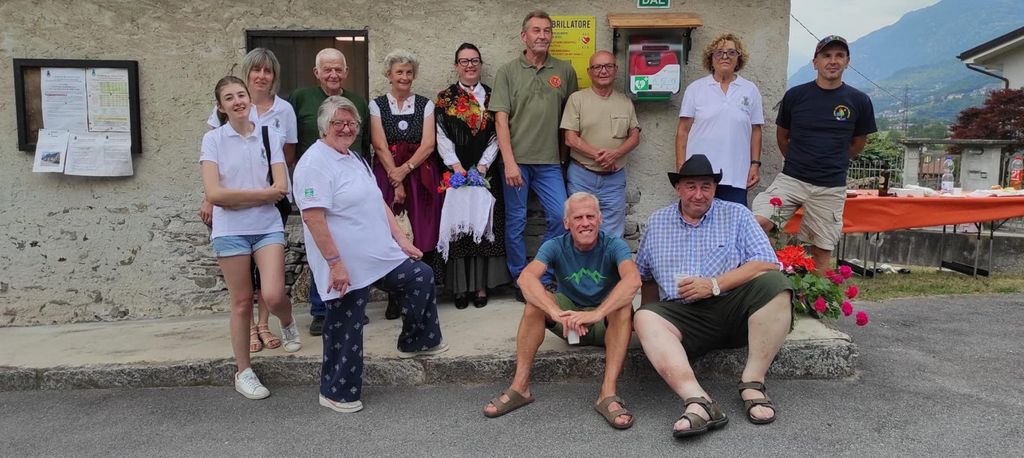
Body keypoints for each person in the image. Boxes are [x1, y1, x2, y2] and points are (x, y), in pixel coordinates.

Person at [294, 96, 448, 414]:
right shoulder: (314, 164)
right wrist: (335, 264)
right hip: (344, 262)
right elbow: (313, 218)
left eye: (351, 123)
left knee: (420, 276)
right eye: (338, 122)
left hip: (379, 253)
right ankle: (336, 391)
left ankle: (416, 340)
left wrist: (401, 240)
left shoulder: (354, 158)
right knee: (347, 323)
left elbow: (378, 201)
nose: (346, 128)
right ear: (324, 126)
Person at [633, 154, 792, 438]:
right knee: (644, 317)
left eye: (706, 186)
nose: (699, 194)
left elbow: (766, 263)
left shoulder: (737, 214)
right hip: (683, 319)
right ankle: (699, 402)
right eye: (691, 186)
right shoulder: (656, 223)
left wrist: (714, 284)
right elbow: (645, 277)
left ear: (715, 188)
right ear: (678, 188)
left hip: (731, 309)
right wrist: (650, 323)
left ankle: (753, 384)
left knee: (776, 284)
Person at [482, 192, 640, 430]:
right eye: (578, 218)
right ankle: (520, 388)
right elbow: (526, 279)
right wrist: (555, 312)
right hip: (568, 321)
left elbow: (633, 280)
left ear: (600, 219)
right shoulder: (554, 245)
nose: (585, 223)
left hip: (604, 324)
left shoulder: (614, 245)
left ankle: (607, 394)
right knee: (535, 302)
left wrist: (596, 314)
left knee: (623, 306)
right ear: (566, 222)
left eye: (590, 216)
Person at [199, 76, 302, 400]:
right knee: (242, 302)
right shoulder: (213, 140)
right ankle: (243, 371)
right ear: (221, 106)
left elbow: (281, 188)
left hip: (267, 226)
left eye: (241, 95)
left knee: (273, 294)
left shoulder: (269, 135)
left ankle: (287, 321)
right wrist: (260, 195)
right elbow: (214, 193)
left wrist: (236, 197)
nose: (238, 101)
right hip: (230, 230)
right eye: (229, 97)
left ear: (249, 99)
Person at [751, 35, 877, 272]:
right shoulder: (796, 96)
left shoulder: (859, 101)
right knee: (759, 225)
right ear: (815, 62)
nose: (833, 61)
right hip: (791, 180)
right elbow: (782, 137)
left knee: (821, 249)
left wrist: (831, 161)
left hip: (830, 186)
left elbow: (857, 143)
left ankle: (814, 294)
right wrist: (800, 161)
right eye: (826, 56)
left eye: (839, 56)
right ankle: (767, 281)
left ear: (847, 62)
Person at [491, 10, 578, 300]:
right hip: (516, 162)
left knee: (560, 216)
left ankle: (544, 275)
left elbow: (570, 118)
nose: (542, 35)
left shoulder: (564, 71)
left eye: (547, 30)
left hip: (550, 162)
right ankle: (520, 279)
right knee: (516, 221)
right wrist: (509, 162)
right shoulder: (507, 72)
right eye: (536, 30)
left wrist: (565, 158)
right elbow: (500, 120)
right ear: (523, 36)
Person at [290, 48, 371, 335]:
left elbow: (364, 143)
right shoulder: (301, 98)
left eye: (338, 69)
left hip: (348, 183)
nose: (333, 74)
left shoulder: (357, 102)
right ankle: (320, 309)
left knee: (351, 245)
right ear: (317, 72)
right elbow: (291, 142)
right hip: (316, 183)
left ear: (346, 72)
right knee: (320, 244)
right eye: (327, 69)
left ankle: (352, 304)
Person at [434, 43, 511, 309]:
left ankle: (480, 286)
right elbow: (440, 134)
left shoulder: (493, 96)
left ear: (481, 64)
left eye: (474, 60)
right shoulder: (445, 98)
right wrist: (455, 166)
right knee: (459, 227)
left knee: (483, 225)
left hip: (484, 171)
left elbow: (498, 133)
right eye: (464, 61)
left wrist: (483, 166)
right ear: (456, 66)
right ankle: (460, 288)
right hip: (455, 171)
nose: (470, 65)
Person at [369, 49, 443, 320]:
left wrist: (405, 170)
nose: (404, 77)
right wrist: (395, 177)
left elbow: (428, 144)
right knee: (392, 232)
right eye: (399, 72)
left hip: (420, 175)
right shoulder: (377, 105)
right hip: (388, 173)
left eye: (409, 72)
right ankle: (395, 296)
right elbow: (379, 145)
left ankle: (421, 292)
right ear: (389, 75)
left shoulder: (425, 105)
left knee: (423, 230)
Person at [675, 33, 764, 206]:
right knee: (696, 218)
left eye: (731, 52)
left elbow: (756, 131)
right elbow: (683, 130)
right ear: (711, 59)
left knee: (733, 220)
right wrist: (681, 165)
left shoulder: (750, 90)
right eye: (719, 53)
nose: (725, 57)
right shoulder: (695, 89)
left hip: (736, 174)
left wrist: (755, 164)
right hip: (699, 175)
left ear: (738, 59)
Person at [561, 50, 641, 237]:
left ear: (616, 69)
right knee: (580, 230)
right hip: (582, 176)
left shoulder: (625, 102)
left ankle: (607, 259)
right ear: (589, 72)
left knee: (613, 234)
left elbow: (634, 136)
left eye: (608, 66)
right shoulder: (577, 99)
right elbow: (570, 138)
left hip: (614, 179)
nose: (603, 71)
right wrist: (602, 156)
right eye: (597, 67)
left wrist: (616, 154)